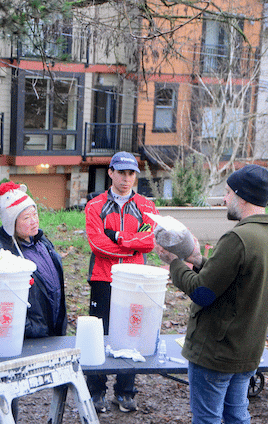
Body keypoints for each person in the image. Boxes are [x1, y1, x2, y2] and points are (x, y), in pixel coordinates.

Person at [156, 164, 268, 424]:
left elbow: (202, 292)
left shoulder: (238, 238)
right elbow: (235, 281)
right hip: (246, 351)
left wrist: (174, 262)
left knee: (208, 419)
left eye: (228, 192)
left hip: (216, 353)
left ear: (243, 196)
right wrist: (197, 259)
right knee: (237, 416)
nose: (224, 199)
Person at [84, 151, 158, 413]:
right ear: (111, 172)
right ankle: (96, 391)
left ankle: (125, 391)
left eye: (131, 174)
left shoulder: (147, 207)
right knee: (99, 334)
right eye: (122, 173)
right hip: (103, 278)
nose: (127, 179)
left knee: (132, 332)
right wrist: (132, 247)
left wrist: (117, 236)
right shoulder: (94, 205)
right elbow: (97, 244)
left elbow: (149, 241)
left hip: (136, 280)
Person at [0, 181, 67, 339]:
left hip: (54, 327)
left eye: (35, 214)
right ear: (12, 224)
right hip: (31, 336)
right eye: (26, 218)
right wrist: (30, 329)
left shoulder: (42, 242)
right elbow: (3, 303)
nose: (34, 221)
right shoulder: (3, 256)